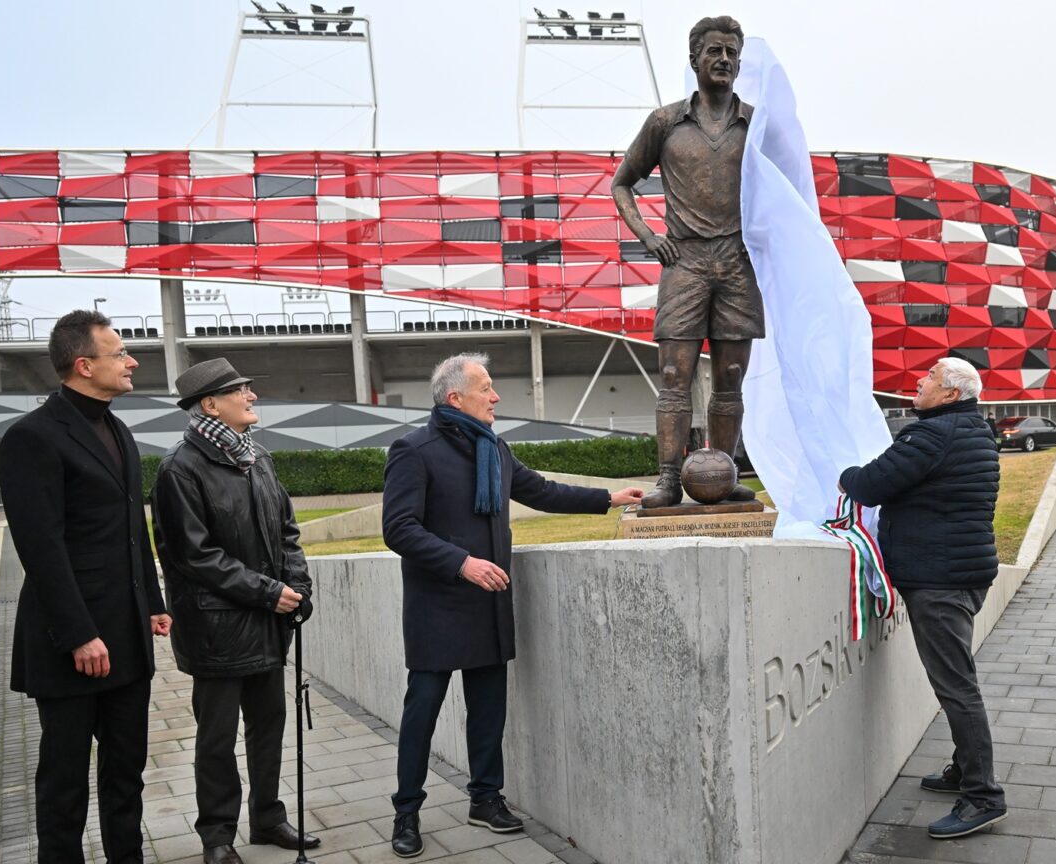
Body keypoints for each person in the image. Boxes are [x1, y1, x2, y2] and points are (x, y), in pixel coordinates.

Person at [383, 353, 644, 858]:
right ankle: (406, 812)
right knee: (422, 713)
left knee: (488, 712)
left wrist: (608, 498)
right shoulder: (414, 450)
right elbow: (399, 528)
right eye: (486, 387)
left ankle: (485, 799)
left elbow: (540, 491)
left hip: (489, 604)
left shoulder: (494, 448)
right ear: (455, 397)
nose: (496, 396)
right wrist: (462, 563)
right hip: (438, 605)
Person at [0, 309, 172, 864]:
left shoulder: (118, 430)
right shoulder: (31, 437)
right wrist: (78, 635)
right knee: (64, 784)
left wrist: (152, 601)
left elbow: (132, 528)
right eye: (120, 353)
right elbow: (41, 549)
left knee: (127, 774)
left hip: (127, 636)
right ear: (83, 365)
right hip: (71, 643)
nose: (131, 362)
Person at [150, 359, 318, 864]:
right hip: (217, 632)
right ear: (210, 404)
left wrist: (297, 586)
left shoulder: (257, 457)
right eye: (240, 390)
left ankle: (267, 819)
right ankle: (217, 837)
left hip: (268, 625)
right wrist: (267, 592)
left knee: (269, 729)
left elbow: (287, 531)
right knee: (217, 742)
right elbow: (194, 556)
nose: (251, 396)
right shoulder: (180, 469)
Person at [838, 357, 1006, 839]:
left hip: (939, 580)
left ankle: (983, 797)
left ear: (950, 394)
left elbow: (870, 485)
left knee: (956, 686)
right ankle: (965, 768)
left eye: (930, 376)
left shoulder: (932, 435)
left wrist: (844, 473)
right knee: (958, 678)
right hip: (963, 572)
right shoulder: (974, 430)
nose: (919, 380)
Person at [611, 15, 759, 508]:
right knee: (675, 377)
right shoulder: (665, 122)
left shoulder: (755, 123)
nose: (724, 60)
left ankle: (723, 475)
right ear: (694, 59)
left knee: (731, 376)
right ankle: (669, 480)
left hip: (737, 263)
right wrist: (648, 237)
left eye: (732, 53)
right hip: (685, 261)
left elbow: (785, 191)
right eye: (715, 51)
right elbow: (621, 183)